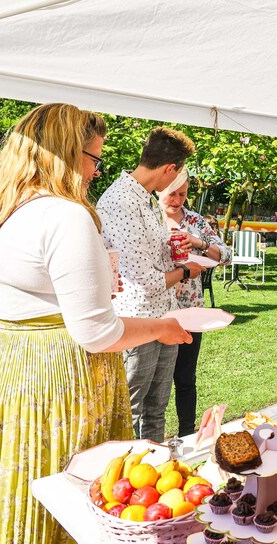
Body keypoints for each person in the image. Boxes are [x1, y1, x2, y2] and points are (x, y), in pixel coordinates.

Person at [0, 104, 191, 544]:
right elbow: (98, 332)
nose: (96, 172)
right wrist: (161, 327)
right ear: (66, 153)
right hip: (59, 379)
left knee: (27, 475)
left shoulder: (8, 207)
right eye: (94, 158)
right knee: (71, 484)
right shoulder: (66, 215)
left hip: (13, 369)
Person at [97, 127, 204, 442]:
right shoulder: (120, 202)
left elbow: (152, 260)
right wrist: (185, 272)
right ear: (170, 169)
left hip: (166, 315)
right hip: (139, 321)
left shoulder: (147, 200)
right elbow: (144, 283)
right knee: (131, 410)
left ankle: (154, 468)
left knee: (157, 408)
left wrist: (173, 252)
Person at [159, 168, 233, 437]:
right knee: (156, 383)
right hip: (156, 313)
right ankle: (150, 438)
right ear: (159, 189)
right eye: (172, 194)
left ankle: (187, 435)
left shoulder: (195, 221)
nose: (177, 200)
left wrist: (198, 243)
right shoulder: (148, 219)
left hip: (190, 312)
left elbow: (224, 255)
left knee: (186, 379)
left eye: (183, 194)